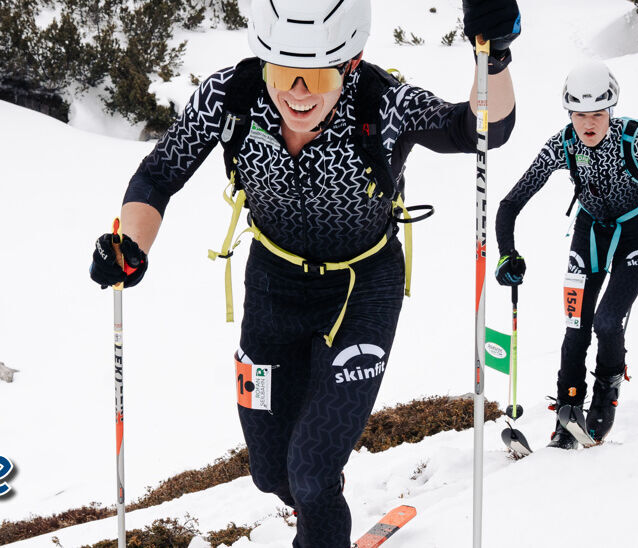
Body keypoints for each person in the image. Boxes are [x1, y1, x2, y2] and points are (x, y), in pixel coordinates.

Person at [88, 0, 520, 545]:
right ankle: (318, 493)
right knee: (272, 473)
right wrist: (131, 244)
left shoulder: (382, 102)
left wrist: (495, 55)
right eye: (283, 72)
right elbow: (157, 175)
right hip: (273, 285)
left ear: (352, 61)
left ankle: (320, 508)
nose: (298, 92)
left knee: (310, 475)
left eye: (317, 75)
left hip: (363, 290)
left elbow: (484, 127)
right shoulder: (231, 97)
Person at [492, 61, 638, 450]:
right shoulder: (563, 144)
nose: (588, 124)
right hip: (591, 234)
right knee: (576, 326)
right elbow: (510, 203)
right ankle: (567, 415)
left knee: (606, 321)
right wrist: (507, 254)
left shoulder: (636, 140)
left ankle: (606, 396)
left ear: (611, 111)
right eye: (580, 115)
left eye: (598, 115)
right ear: (569, 113)